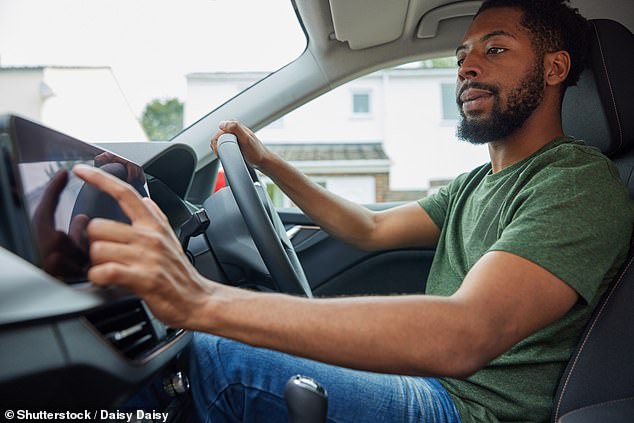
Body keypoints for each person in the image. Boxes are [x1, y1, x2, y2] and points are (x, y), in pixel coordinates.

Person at [72, 0, 633, 421]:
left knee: (213, 358)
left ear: (555, 69)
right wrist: (267, 161)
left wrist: (202, 299)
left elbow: (466, 334)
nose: (466, 67)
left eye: (495, 48)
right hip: (428, 383)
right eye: (462, 54)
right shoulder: (477, 184)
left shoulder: (575, 183)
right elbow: (366, 227)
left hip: (464, 409)